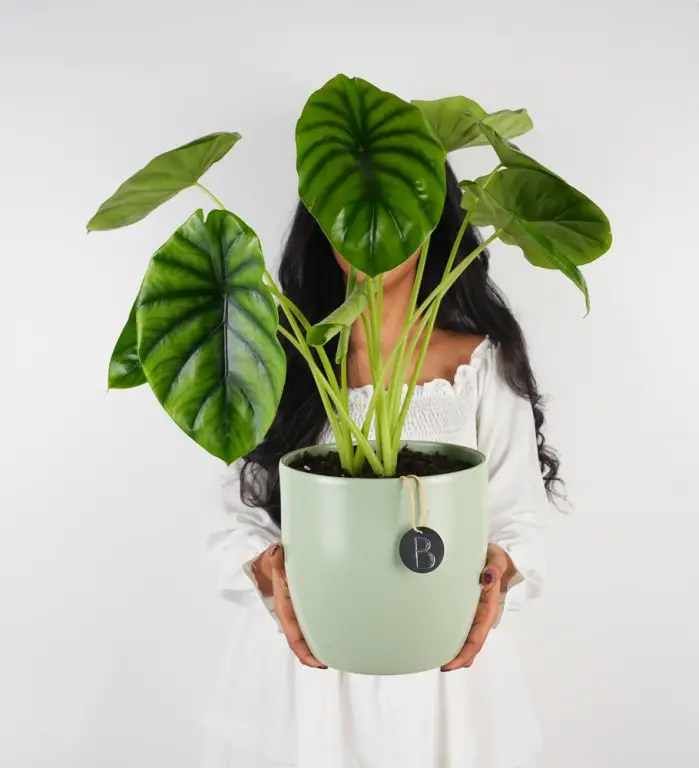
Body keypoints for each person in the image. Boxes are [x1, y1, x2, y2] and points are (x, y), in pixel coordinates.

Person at [203, 164, 558, 768]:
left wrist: (500, 572)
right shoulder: (284, 357)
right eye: (349, 211)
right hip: (306, 665)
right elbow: (236, 513)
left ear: (432, 222)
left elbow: (516, 515)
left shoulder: (479, 363)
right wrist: (270, 570)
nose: (369, 230)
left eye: (392, 212)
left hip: (437, 662)